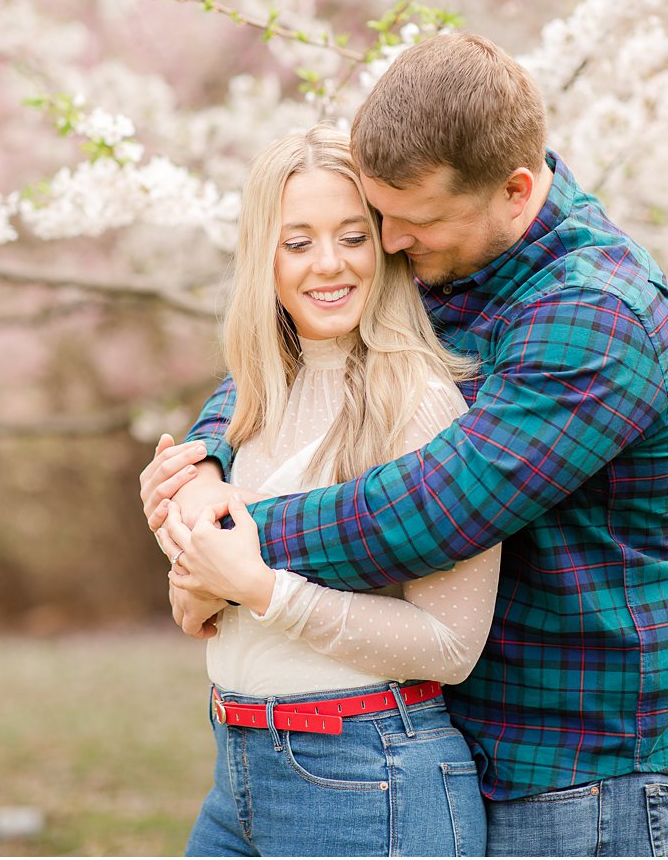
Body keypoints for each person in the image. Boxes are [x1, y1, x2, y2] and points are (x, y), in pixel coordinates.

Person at [145, 32, 668, 857]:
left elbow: (433, 508)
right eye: (384, 222)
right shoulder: (454, 253)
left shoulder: (596, 317)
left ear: (515, 191)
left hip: (578, 766)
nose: (392, 249)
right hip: (449, 735)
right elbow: (307, 353)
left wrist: (231, 556)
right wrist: (205, 461)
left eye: (408, 225)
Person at [152, 123, 500, 857]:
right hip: (239, 768)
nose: (328, 265)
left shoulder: (421, 402)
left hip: (368, 774)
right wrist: (195, 586)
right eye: (298, 241)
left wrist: (259, 589)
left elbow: (451, 645)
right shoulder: (249, 402)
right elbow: (219, 573)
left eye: (352, 236)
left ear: (384, 245)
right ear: (264, 259)